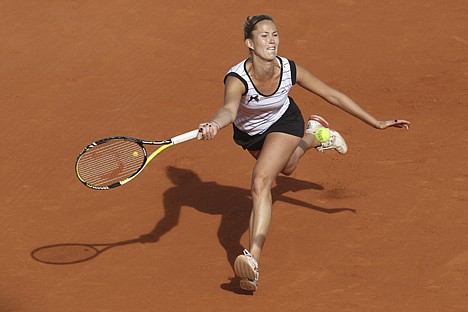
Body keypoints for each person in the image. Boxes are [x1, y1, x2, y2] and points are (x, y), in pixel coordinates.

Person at [196, 15, 411, 292]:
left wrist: (376, 122)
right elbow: (228, 109)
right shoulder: (237, 79)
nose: (271, 40)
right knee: (288, 167)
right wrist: (215, 123)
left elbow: (331, 94)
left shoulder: (289, 69)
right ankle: (316, 133)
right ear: (249, 43)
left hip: (285, 122)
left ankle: (252, 260)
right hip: (250, 134)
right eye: (264, 35)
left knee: (261, 181)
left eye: (274, 34)